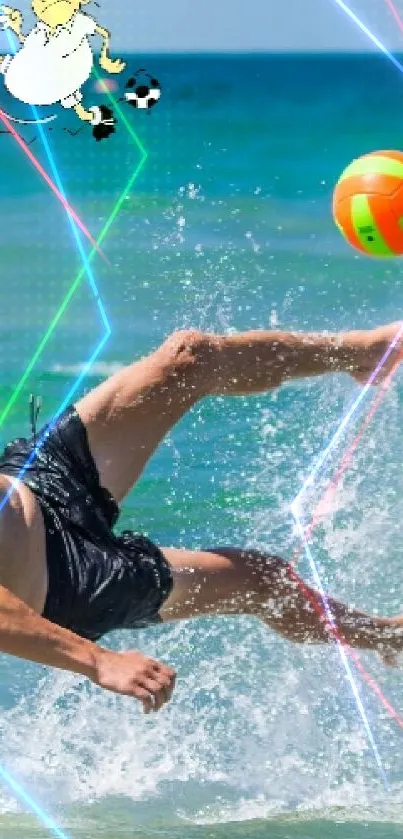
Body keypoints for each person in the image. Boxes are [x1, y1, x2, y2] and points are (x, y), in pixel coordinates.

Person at [0, 322, 402, 714]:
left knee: (191, 357)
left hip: (34, 486)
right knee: (262, 580)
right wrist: (99, 661)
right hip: (66, 581)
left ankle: (365, 351)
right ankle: (388, 636)